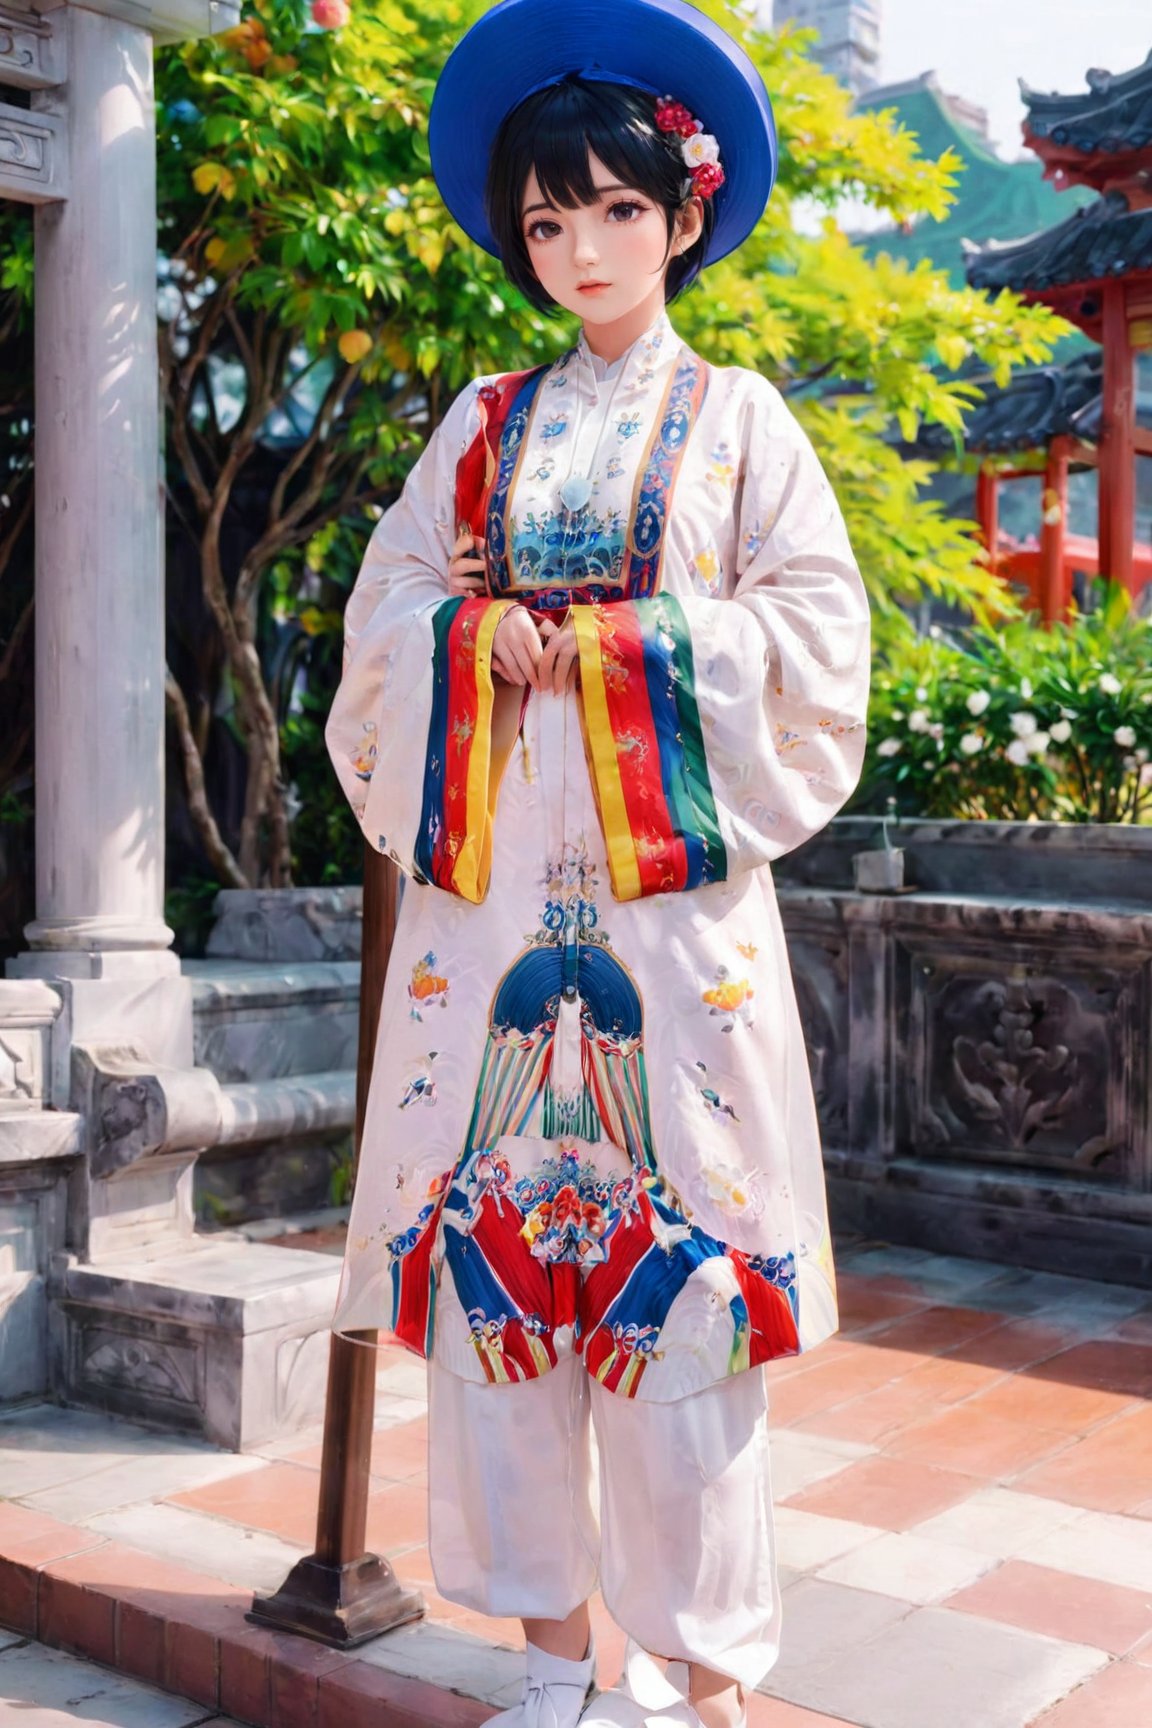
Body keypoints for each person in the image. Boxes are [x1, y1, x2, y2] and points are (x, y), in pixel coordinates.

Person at [324, 2, 871, 1723]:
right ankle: (554, 1656)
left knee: (681, 1299)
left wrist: (626, 650)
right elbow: (383, 617)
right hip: (488, 932)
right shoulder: (478, 429)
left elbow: (816, 639)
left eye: (615, 212)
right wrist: (472, 641)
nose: (580, 250)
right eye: (548, 221)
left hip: (673, 934)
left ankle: (700, 1679)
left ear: (683, 215)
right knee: (508, 1295)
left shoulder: (741, 424)